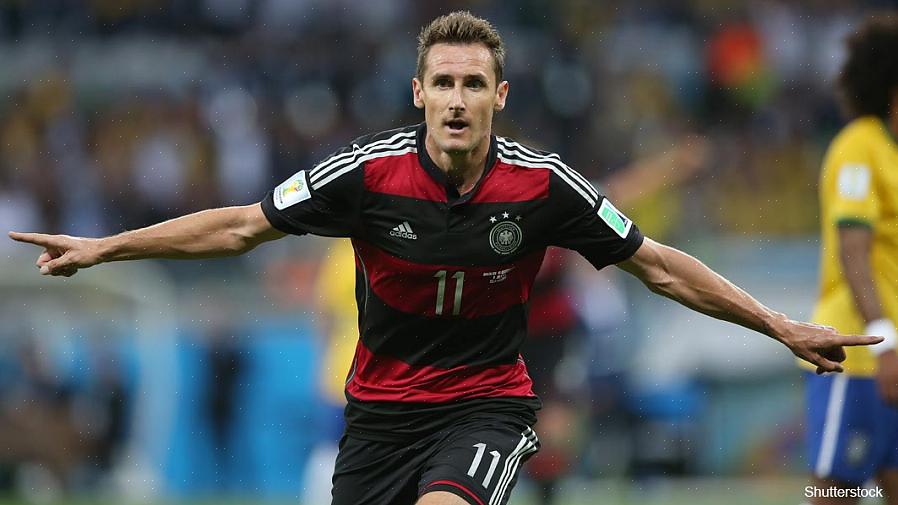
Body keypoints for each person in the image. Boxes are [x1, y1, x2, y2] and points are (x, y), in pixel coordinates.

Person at [7, 11, 882, 505]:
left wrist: (774, 323)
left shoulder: (543, 185)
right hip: (376, 420)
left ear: (498, 95)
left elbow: (656, 262)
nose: (457, 100)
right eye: (444, 83)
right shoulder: (364, 176)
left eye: (473, 84)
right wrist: (105, 247)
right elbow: (239, 227)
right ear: (419, 92)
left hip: (485, 407)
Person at [803, 15, 898, 505]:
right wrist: (886, 345)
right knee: (835, 495)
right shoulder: (860, 147)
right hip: (861, 356)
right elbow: (853, 251)